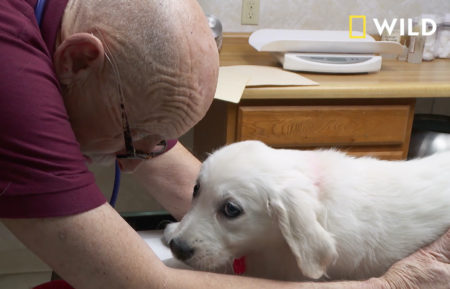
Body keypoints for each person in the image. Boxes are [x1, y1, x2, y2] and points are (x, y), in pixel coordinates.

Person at [0, 0, 448, 288]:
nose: (134, 165)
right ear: (78, 61)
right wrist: (388, 287)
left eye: (158, 143)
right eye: (140, 139)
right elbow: (131, 282)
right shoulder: (9, 75)